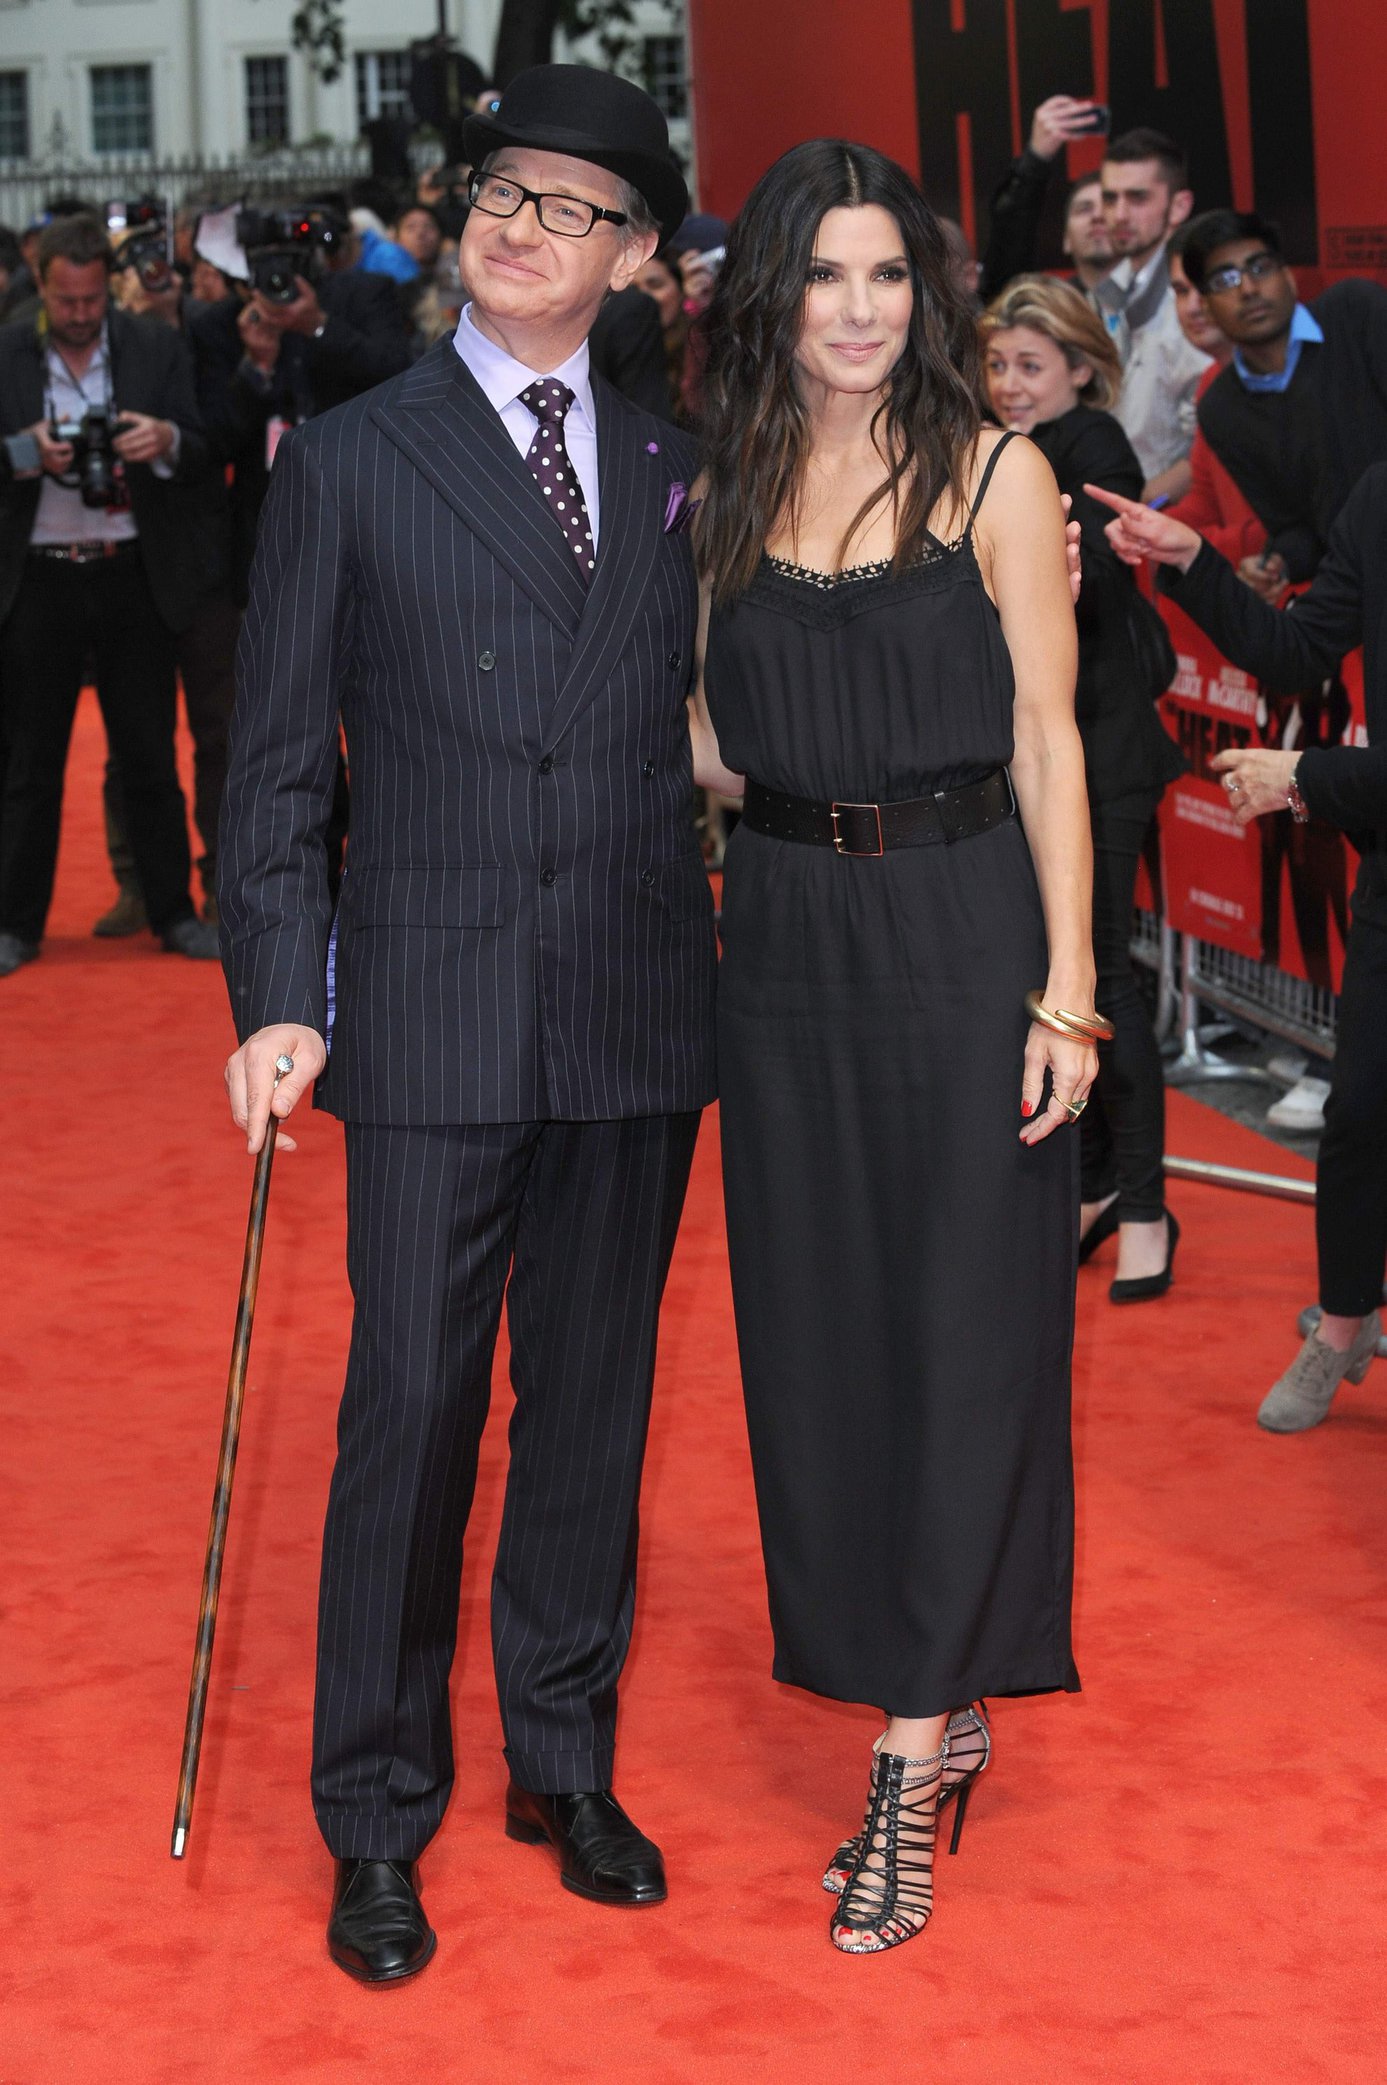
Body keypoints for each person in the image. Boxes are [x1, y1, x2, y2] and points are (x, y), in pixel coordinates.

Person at [218, 64, 714, 1986]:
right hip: (422, 1008)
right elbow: (269, 771)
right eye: (499, 191)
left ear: (637, 258)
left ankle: (564, 1758)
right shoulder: (352, 457)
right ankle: (375, 1808)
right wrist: (278, 995)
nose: (516, 224)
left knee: (590, 1409)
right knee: (411, 1415)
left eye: (570, 206)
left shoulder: (680, 464)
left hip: (635, 1003)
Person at [688, 140, 1095, 1954]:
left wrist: (1069, 987)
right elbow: (705, 739)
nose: (857, 312)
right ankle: (921, 1667)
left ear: (921, 293)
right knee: (822, 1344)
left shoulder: (999, 471)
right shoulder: (724, 484)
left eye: (885, 277)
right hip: (778, 950)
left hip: (955, 941)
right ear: (768, 294)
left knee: (964, 1331)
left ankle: (911, 1757)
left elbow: (1046, 741)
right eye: (823, 277)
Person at [1089, 469, 1387, 1428]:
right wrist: (1193, 562)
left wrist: (1308, 773)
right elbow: (1299, 650)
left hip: (1358, 795)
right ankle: (1342, 1323)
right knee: (1358, 1116)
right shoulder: (1376, 493)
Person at [982, 276, 1185, 1298]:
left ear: (1076, 368)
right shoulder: (987, 453)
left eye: (1029, 365)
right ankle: (1097, 1183)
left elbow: (1091, 597)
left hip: (1102, 752)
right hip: (1038, 752)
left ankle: (1146, 1207)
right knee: (1061, 972)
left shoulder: (1093, 450)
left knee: (1103, 977)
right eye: (997, 365)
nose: (1009, 384)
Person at [0, 212, 219, 976]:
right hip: (38, 575)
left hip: (133, 569)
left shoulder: (154, 345)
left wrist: (163, 441)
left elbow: (202, 443)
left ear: (108, 289)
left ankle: (174, 913)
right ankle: (15, 924)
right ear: (42, 289)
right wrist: (19, 453)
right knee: (30, 763)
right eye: (68, 303)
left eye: (93, 301)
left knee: (149, 755)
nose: (82, 315)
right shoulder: (5, 352)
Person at [1178, 209, 1387, 592]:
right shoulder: (1221, 409)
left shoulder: (1355, 311)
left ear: (1288, 276)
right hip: (1366, 586)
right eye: (1226, 279)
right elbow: (1296, 528)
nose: (1248, 289)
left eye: (1260, 268)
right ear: (1206, 306)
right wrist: (1279, 562)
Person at [1092, 128, 1210, 495]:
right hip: (1113, 498)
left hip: (1169, 514)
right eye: (1110, 198)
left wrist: (1138, 506)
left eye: (1137, 198)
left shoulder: (1199, 301)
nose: (1120, 214)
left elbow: (1209, 446)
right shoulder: (1105, 292)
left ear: (1179, 206)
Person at [979, 96, 1116, 301]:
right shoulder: (1049, 308)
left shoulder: (1168, 296)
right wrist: (1035, 160)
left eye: (1107, 205)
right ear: (1066, 239)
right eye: (1083, 209)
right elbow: (1005, 272)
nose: (1097, 216)